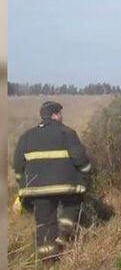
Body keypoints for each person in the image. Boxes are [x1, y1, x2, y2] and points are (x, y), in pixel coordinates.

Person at [13, 101, 91, 261]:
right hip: (66, 186)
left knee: (44, 223)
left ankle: (48, 260)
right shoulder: (67, 132)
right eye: (60, 113)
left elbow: (18, 166)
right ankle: (63, 237)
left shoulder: (26, 136)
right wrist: (84, 179)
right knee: (71, 205)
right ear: (56, 114)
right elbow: (81, 160)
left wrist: (22, 189)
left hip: (36, 190)